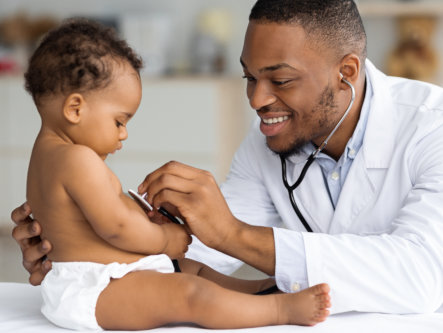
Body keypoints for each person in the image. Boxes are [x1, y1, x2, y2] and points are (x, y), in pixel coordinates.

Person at [11, 0, 443, 316]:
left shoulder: (431, 127)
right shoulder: (268, 143)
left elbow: (423, 275)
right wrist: (81, 246)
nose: (256, 99)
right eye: (250, 77)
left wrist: (233, 234)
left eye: (280, 79)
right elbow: (201, 251)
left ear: (346, 72)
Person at [18, 18, 331, 330]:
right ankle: (280, 310)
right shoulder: (77, 159)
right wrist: (164, 239)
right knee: (190, 293)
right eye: (119, 121)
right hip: (98, 288)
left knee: (191, 269)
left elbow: (92, 218)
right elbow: (115, 226)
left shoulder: (47, 156)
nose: (124, 134)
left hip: (108, 276)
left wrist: (148, 223)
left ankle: (259, 291)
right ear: (75, 109)